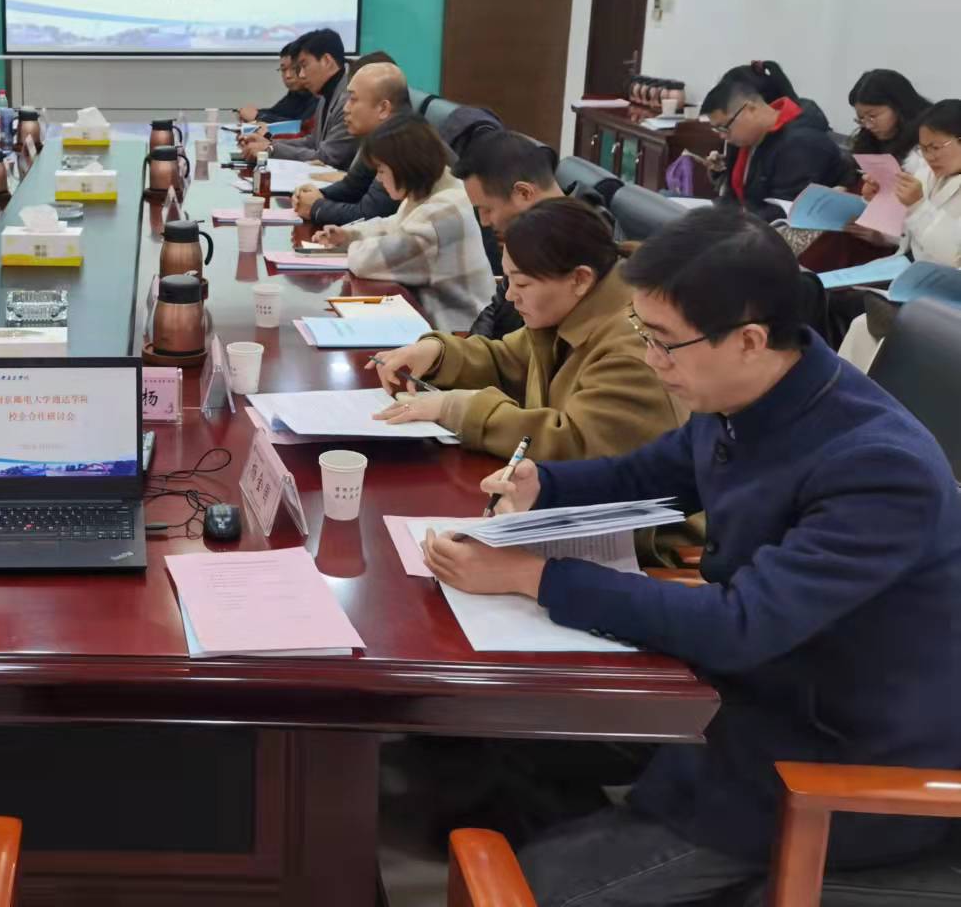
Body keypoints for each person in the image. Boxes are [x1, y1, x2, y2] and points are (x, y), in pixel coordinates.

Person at [423, 208, 961, 904]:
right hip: (738, 697)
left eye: (665, 343)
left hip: (830, 759)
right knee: (507, 734)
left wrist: (534, 576)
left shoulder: (878, 467)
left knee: (536, 886)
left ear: (749, 339)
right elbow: (651, 471)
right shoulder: (751, 393)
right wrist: (541, 483)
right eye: (644, 333)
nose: (652, 360)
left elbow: (740, 624)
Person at [371, 198, 682, 463]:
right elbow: (507, 360)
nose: (509, 296)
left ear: (579, 279)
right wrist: (437, 354)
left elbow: (573, 441)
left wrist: (456, 409)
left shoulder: (634, 345)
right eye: (508, 280)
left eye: (521, 284)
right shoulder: (571, 309)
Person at [312, 117, 495, 330]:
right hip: (433, 320)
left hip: (463, 333)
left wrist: (350, 247)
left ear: (404, 167)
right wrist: (348, 235)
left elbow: (369, 262)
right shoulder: (432, 188)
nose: (379, 179)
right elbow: (394, 226)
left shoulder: (441, 212)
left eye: (381, 170)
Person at [840, 99, 961, 368]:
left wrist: (917, 206)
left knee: (866, 322)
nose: (929, 157)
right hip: (911, 270)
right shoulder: (926, 173)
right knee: (849, 312)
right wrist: (878, 199)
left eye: (936, 147)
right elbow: (907, 234)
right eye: (923, 148)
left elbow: (952, 256)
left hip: (947, 287)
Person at [453, 133, 568, 340]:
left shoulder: (578, 246)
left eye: (487, 209)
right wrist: (472, 347)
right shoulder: (527, 234)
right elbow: (497, 306)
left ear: (524, 193)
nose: (484, 221)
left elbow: (535, 346)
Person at [701, 70, 853, 221]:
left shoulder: (800, 143)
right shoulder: (747, 138)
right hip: (751, 224)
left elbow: (783, 211)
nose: (722, 136)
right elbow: (735, 197)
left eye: (723, 127)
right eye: (717, 129)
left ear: (750, 109)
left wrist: (728, 223)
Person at [291, 56, 410, 226]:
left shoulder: (402, 142)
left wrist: (317, 207)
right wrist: (317, 195)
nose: (346, 108)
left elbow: (369, 216)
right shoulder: (380, 134)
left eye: (353, 99)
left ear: (383, 108)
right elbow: (353, 187)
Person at [240, 28, 356, 170]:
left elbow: (328, 157)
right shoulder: (326, 94)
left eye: (304, 66)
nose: (301, 75)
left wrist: (271, 149)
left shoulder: (349, 99)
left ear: (326, 61)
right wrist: (269, 144)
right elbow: (313, 142)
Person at [847, 68, 931, 164]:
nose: (868, 126)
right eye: (861, 118)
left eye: (872, 116)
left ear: (899, 106)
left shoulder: (931, 137)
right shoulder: (867, 138)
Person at [237, 41, 315, 125]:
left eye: (293, 68)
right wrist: (251, 113)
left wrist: (257, 116)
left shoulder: (318, 95)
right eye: (283, 70)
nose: (288, 76)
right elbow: (276, 113)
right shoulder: (296, 93)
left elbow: (301, 126)